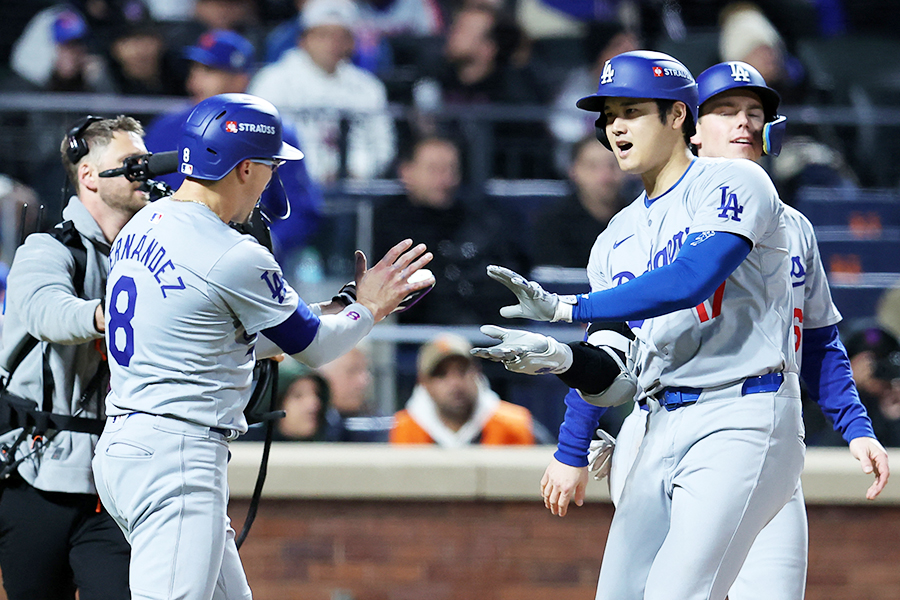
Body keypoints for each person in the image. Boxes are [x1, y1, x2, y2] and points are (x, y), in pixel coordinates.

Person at [474, 50, 814, 600]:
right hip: (657, 417)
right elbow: (616, 370)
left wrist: (568, 309)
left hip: (742, 412)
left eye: (632, 111)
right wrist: (563, 359)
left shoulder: (734, 181)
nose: (616, 127)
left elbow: (691, 278)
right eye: (608, 116)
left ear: (678, 116)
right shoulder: (614, 237)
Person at [91, 92, 434, 600]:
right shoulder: (230, 251)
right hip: (177, 453)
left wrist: (347, 305)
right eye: (272, 165)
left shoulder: (142, 223)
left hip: (128, 445)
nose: (276, 176)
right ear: (245, 167)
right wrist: (371, 308)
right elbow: (312, 349)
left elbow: (232, 330)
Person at [609, 60, 886, 600]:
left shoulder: (794, 226)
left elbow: (822, 340)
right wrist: (573, 443)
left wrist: (856, 426)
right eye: (725, 110)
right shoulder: (648, 222)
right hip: (663, 421)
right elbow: (615, 340)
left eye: (754, 113)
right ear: (688, 124)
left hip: (760, 425)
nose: (743, 123)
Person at [0, 115, 150, 599]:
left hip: (116, 483)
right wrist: (109, 316)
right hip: (35, 473)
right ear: (89, 176)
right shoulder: (45, 248)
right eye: (131, 164)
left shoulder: (156, 256)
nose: (144, 174)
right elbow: (47, 311)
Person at [144, 29, 323, 257]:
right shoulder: (166, 127)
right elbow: (143, 191)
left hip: (248, 266)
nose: (196, 79)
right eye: (195, 69)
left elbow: (303, 210)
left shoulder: (273, 132)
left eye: (209, 70)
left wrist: (264, 246)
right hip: (173, 257)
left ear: (240, 78)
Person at [372, 135, 530, 325]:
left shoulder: (485, 218)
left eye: (450, 169)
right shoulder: (384, 223)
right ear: (406, 172)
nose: (444, 179)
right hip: (419, 332)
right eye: (433, 170)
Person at [248, 0, 396, 183]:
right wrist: (310, 172)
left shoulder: (368, 86)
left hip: (355, 188)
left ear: (351, 43)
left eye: (341, 36)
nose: (332, 43)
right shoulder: (272, 80)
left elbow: (383, 145)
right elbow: (260, 139)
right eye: (322, 35)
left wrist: (356, 170)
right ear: (303, 40)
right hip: (289, 185)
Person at [391, 333, 537, 446]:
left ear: (477, 372)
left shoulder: (516, 425)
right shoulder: (401, 429)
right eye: (441, 374)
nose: (455, 383)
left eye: (462, 371)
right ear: (423, 383)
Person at [533, 134, 636, 268]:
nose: (605, 177)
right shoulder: (551, 225)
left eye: (613, 165)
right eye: (592, 167)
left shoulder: (643, 220)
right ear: (573, 171)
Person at [240, 357, 330, 442]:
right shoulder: (247, 446)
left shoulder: (337, 443)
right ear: (275, 403)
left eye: (317, 394)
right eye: (298, 396)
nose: (313, 404)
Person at [318, 344, 393, 442]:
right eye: (352, 371)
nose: (364, 380)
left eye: (366, 371)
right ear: (323, 377)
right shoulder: (307, 427)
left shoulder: (378, 426)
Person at [846, 327, 900, 447]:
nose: (872, 372)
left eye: (881, 364)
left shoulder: (892, 401)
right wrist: (847, 388)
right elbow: (823, 449)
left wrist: (894, 415)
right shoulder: (825, 400)